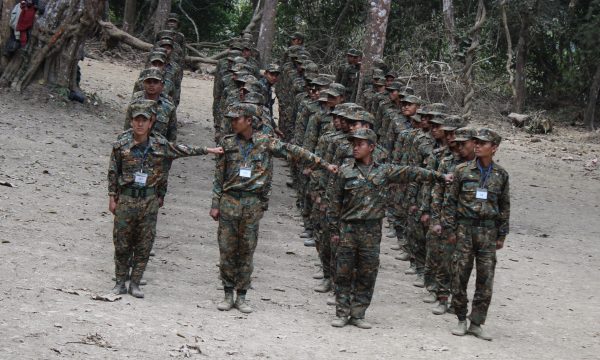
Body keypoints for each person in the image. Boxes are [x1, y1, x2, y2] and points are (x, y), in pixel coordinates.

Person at [210, 103, 337, 314]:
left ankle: (242, 295)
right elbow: (218, 177)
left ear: (249, 121)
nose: (232, 122)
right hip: (229, 202)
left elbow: (295, 151)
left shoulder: (265, 143)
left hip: (252, 204)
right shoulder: (227, 143)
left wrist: (323, 164)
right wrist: (215, 203)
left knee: (247, 250)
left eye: (237, 119)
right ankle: (227, 293)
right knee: (226, 250)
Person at [327, 128, 452, 329]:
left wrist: (440, 176)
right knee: (343, 272)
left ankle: (358, 313)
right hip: (348, 229)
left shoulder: (384, 171)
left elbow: (412, 172)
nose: (356, 147)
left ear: (372, 147)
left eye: (361, 144)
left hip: (372, 231)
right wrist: (333, 231)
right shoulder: (345, 171)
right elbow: (333, 203)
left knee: (367, 273)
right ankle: (342, 312)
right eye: (354, 144)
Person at [108, 101, 223, 298]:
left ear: (151, 122)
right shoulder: (121, 144)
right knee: (122, 242)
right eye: (137, 120)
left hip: (149, 200)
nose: (140, 124)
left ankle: (135, 282)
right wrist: (112, 197)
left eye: (144, 120)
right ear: (132, 121)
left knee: (145, 242)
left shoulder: (160, 145)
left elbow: (182, 149)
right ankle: (120, 281)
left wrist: (208, 150)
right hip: (126, 199)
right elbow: (113, 171)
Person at [444, 128, 510, 340]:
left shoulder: (501, 175)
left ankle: (477, 322)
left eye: (484, 143)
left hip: (488, 232)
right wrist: (450, 229)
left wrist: (501, 234)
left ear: (494, 148)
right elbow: (450, 202)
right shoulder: (462, 171)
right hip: (464, 229)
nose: (478, 145)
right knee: (459, 275)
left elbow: (504, 205)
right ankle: (461, 319)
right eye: (477, 142)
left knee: (485, 279)